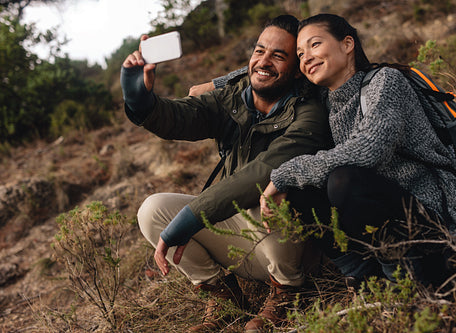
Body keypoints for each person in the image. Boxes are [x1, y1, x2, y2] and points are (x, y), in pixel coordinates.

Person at [120, 15, 332, 332]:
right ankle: (225, 301)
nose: (264, 61)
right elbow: (180, 117)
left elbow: (260, 173)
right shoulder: (234, 96)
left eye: (278, 55)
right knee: (153, 210)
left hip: (291, 245)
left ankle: (287, 294)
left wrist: (191, 217)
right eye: (260, 51)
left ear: (298, 66)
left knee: (273, 202)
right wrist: (140, 99)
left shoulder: (309, 113)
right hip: (241, 234)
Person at [258, 13, 456, 287]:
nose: (306, 57)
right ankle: (360, 272)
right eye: (299, 53)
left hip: (427, 216)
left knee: (342, 179)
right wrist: (214, 85)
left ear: (347, 44)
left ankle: (404, 275)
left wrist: (283, 174)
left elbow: (367, 152)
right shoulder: (325, 100)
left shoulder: (385, 82)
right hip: (379, 216)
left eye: (315, 45)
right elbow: (267, 71)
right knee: (301, 188)